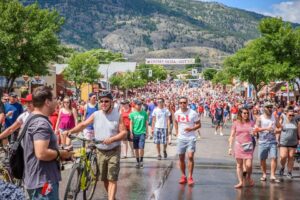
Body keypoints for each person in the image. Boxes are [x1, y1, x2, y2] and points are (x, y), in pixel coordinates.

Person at [64, 91, 127, 200]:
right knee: (105, 179)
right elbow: (83, 124)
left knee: (112, 178)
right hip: (100, 151)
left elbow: (124, 132)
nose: (103, 103)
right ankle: (112, 197)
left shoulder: (118, 115)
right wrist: (70, 131)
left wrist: (112, 139)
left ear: (111, 102)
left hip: (113, 150)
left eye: (106, 101)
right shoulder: (96, 114)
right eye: (101, 101)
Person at [23, 86, 73, 199]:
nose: (57, 101)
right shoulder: (41, 123)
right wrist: (61, 153)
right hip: (43, 182)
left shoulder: (31, 118)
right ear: (47, 102)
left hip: (36, 180)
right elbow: (41, 153)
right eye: (55, 98)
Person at [174, 96, 201, 186]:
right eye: (181, 103)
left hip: (191, 138)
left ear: (187, 103)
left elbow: (199, 124)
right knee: (181, 158)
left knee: (190, 157)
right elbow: (175, 121)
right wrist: (177, 132)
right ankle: (183, 176)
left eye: (184, 102)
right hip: (181, 138)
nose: (182, 104)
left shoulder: (193, 113)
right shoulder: (177, 113)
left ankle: (190, 177)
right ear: (179, 103)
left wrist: (191, 129)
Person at [228, 107, 255, 188]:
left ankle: (248, 177)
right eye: (244, 113)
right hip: (238, 145)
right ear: (240, 114)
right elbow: (232, 136)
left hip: (248, 145)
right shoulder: (236, 123)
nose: (246, 114)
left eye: (247, 113)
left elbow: (255, 131)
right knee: (239, 165)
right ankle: (240, 182)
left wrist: (254, 133)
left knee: (249, 165)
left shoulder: (251, 122)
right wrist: (230, 147)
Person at [254, 102, 280, 182]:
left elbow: (280, 127)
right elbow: (256, 129)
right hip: (262, 142)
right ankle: (264, 174)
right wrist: (266, 129)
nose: (270, 108)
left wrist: (277, 130)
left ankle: (272, 175)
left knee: (274, 158)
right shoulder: (260, 118)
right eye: (268, 107)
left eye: (271, 107)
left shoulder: (274, 117)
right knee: (262, 159)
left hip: (272, 141)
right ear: (264, 108)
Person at [278, 106, 300, 179]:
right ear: (286, 114)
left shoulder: (296, 120)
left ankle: (289, 172)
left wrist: (299, 139)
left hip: (293, 142)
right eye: (289, 115)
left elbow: (298, 131)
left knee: (291, 157)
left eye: (292, 115)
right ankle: (282, 167)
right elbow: (278, 128)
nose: (291, 116)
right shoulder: (283, 119)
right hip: (283, 142)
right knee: (283, 156)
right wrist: (276, 138)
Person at [129, 99, 148, 168]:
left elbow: (146, 123)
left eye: (140, 104)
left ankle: (141, 160)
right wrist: (131, 132)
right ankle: (137, 161)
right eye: (138, 104)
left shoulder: (144, 113)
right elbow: (131, 123)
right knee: (136, 148)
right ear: (135, 105)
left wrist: (147, 132)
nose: (139, 106)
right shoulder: (132, 114)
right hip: (135, 133)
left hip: (142, 132)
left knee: (141, 147)